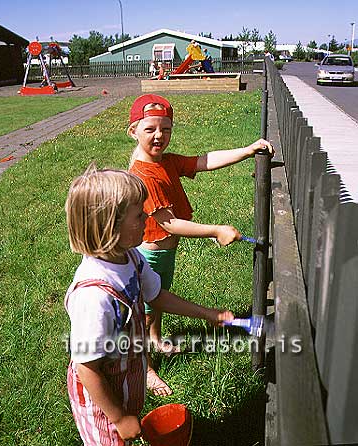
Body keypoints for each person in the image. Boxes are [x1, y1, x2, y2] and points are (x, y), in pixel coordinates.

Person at [64, 165, 234, 445]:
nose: (147, 217)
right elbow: (87, 368)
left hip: (125, 374)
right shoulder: (94, 297)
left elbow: (157, 295)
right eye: (139, 214)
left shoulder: (130, 257)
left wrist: (207, 314)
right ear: (110, 225)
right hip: (101, 399)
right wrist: (117, 417)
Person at [127, 94, 274, 363]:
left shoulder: (166, 162)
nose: (159, 135)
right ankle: (145, 368)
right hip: (150, 256)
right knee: (147, 310)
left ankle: (156, 340)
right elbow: (170, 223)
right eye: (150, 129)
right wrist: (216, 230)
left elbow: (204, 161)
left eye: (166, 129)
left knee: (156, 302)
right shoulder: (142, 175)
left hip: (164, 253)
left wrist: (246, 150)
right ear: (133, 131)